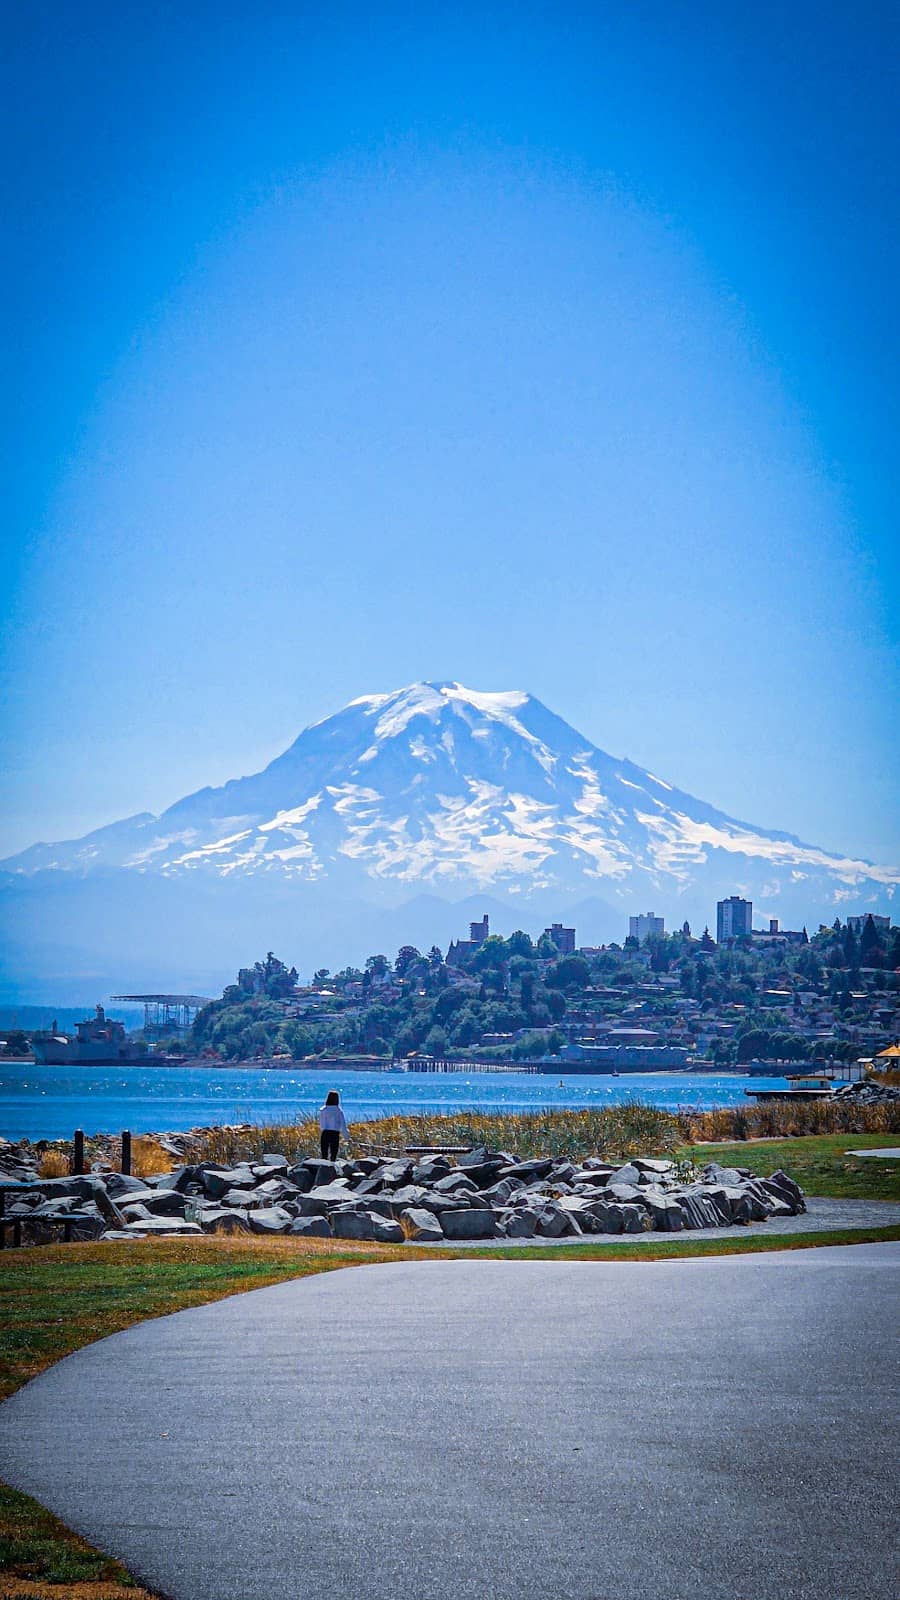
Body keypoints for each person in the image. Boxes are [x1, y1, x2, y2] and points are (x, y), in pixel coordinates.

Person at [318, 1089, 350, 1161]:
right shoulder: (338, 1111)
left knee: (324, 1155)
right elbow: (343, 1125)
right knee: (333, 1155)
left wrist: (323, 1130)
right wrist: (347, 1137)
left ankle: (324, 1168)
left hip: (325, 1133)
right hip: (335, 1134)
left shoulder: (323, 1110)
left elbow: (322, 1124)